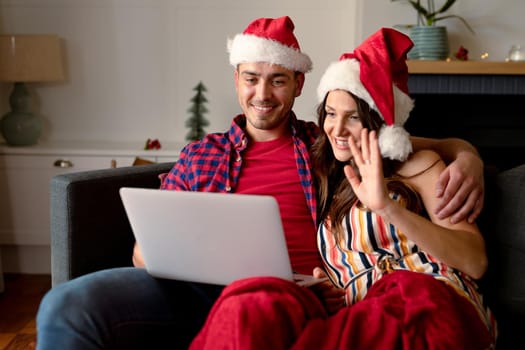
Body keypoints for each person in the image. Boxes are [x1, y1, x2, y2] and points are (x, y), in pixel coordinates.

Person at [36, 17, 486, 350]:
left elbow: (387, 137)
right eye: (251, 79)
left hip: (293, 293)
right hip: (187, 286)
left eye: (277, 81)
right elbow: (143, 250)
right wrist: (151, 251)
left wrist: (467, 153)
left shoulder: (325, 143)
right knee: (66, 306)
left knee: (251, 310)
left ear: (298, 84)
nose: (263, 94)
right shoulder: (200, 156)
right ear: (237, 80)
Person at [189, 27, 497, 349]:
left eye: (353, 118)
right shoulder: (324, 171)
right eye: (331, 114)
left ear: (378, 122)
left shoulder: (417, 165)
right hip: (360, 314)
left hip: (426, 297)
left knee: (397, 302)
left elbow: (475, 262)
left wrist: (388, 207)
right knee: (249, 308)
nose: (337, 129)